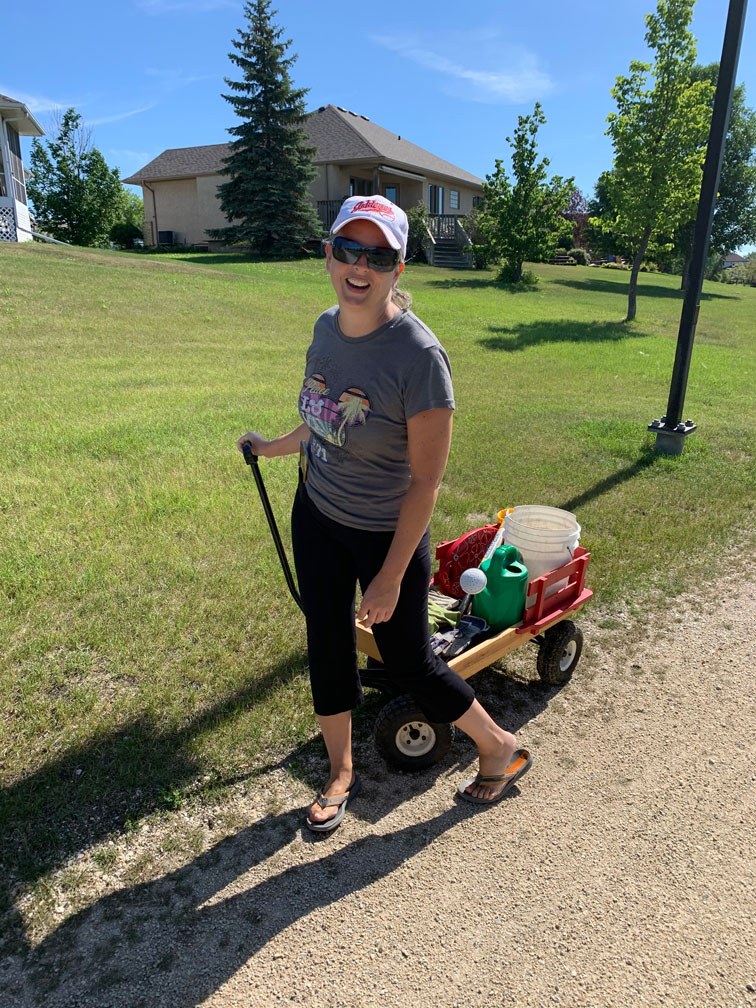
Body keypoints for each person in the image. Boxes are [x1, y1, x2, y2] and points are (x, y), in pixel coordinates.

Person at [238, 195, 531, 832]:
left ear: (400, 267)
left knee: (407, 660)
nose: (360, 266)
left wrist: (392, 576)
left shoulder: (420, 359)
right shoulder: (324, 328)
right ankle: (341, 771)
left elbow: (426, 482)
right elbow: (321, 422)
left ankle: (497, 745)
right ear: (329, 255)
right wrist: (272, 446)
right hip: (316, 511)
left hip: (385, 534)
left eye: (379, 254)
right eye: (349, 249)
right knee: (326, 638)